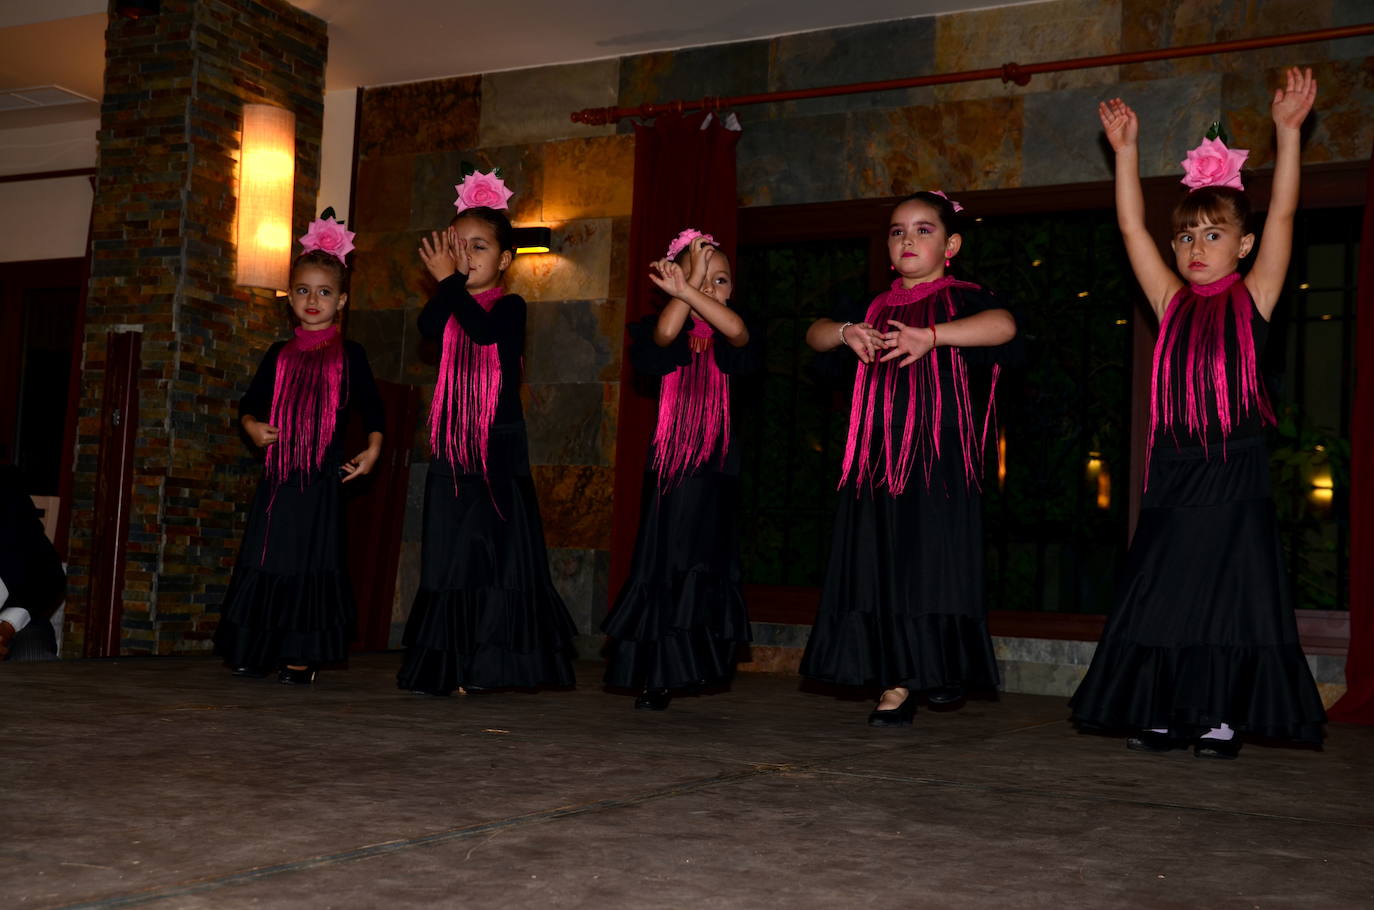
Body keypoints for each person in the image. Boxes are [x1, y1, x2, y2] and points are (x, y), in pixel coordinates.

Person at [1069, 68, 1327, 758]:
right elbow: (1131, 228)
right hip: (1175, 475)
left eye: (1213, 236)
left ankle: (1218, 717)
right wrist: (1124, 153)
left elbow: (1283, 214)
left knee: (1229, 596)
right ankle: (1161, 709)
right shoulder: (1170, 302)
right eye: (1186, 238)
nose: (1194, 249)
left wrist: (1287, 133)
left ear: (1242, 247)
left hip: (1236, 472)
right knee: (1164, 588)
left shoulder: (1256, 296)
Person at [800, 190, 1017, 727]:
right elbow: (813, 334)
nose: (908, 240)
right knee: (882, 568)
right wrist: (846, 332)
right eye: (898, 231)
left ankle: (938, 669)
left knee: (936, 566)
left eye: (924, 230)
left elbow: (1004, 327)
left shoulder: (965, 297)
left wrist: (935, 337)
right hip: (874, 463)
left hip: (939, 461)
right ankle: (895, 684)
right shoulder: (870, 304)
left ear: (951, 244)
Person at [398, 169, 576, 696]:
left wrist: (449, 282)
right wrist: (446, 286)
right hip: (451, 449)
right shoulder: (447, 305)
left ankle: (492, 666)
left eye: (478, 247)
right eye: (457, 246)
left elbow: (483, 334)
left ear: (504, 260)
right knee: (448, 556)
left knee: (491, 554)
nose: (465, 256)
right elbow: (429, 330)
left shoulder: (510, 307)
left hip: (496, 448)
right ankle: (449, 666)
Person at [214, 212, 384, 685]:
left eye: (324, 292)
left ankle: (300, 657)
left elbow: (373, 409)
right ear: (291, 297)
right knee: (267, 560)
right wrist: (251, 425)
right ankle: (256, 648)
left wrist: (373, 448)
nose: (313, 300)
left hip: (322, 481)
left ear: (342, 300)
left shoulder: (351, 356)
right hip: (278, 480)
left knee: (311, 563)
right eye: (304, 290)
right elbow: (249, 403)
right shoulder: (277, 354)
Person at [602, 230, 760, 710]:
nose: (709, 287)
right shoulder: (662, 331)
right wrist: (686, 287)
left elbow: (736, 332)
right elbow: (666, 334)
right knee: (662, 565)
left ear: (732, 289)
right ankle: (658, 673)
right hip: (668, 468)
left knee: (700, 566)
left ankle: (693, 665)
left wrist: (688, 286)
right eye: (697, 278)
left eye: (719, 279)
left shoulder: (735, 332)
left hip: (715, 473)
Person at [0, 465, 65, 662]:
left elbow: (49, 576)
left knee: (32, 658)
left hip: (15, 618)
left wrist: (8, 626)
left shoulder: (6, 493)